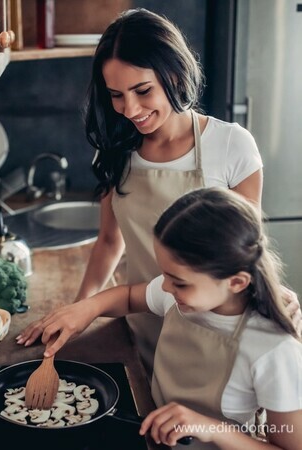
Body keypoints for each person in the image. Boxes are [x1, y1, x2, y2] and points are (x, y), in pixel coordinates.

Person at [17, 7, 300, 373]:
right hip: (142, 326)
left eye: (142, 90)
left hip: (214, 339)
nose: (129, 109)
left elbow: (245, 254)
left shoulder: (232, 144)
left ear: (174, 73)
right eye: (116, 94)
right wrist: (79, 311)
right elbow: (108, 241)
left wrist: (276, 301)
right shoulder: (116, 150)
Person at [17, 188, 302, 450]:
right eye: (165, 275)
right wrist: (86, 309)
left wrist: (209, 428)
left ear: (237, 282)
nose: (165, 288)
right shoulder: (179, 295)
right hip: (153, 434)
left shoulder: (275, 350)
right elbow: (129, 296)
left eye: (179, 282)